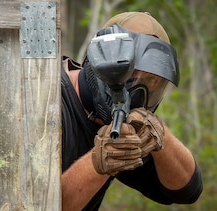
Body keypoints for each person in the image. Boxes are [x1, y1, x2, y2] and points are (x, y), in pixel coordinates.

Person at [61, 12, 203, 210]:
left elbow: (187, 190)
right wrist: (97, 164)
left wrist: (159, 135)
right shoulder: (47, 100)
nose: (136, 95)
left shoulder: (122, 128)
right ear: (100, 63)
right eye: (129, 75)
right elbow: (35, 203)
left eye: (152, 83)